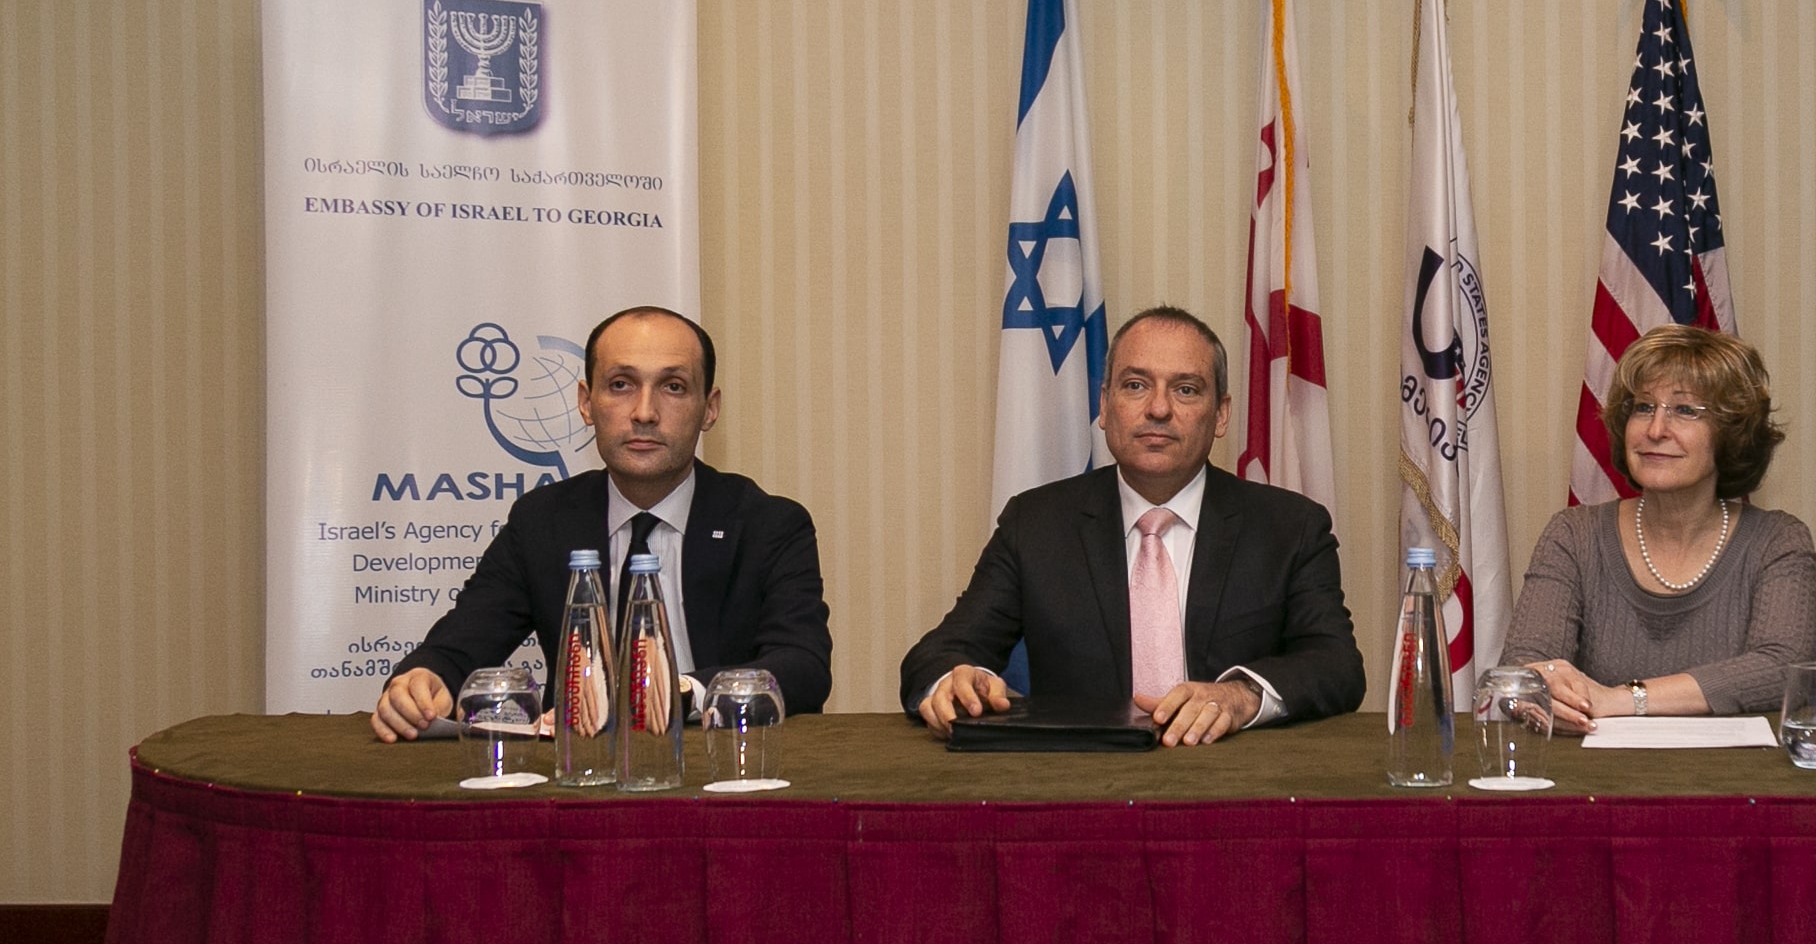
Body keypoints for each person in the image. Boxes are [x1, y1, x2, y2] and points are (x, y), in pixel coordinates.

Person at [900, 305, 1363, 746]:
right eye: (1136, 385)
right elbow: (940, 653)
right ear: (1105, 404)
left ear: (1221, 414)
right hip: (1083, 780)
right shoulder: (1036, 524)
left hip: (1233, 778)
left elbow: (1336, 664)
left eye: (1186, 389)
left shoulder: (1290, 528)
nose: (1158, 408)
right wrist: (955, 682)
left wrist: (1241, 696)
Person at [373, 305, 833, 739]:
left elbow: (802, 666)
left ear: (708, 408)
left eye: (673, 386)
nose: (645, 412)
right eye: (620, 385)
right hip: (578, 766)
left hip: (719, 764)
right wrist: (427, 678)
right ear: (586, 403)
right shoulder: (543, 521)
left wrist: (675, 693)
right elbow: (462, 643)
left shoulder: (768, 525)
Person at [1501, 325, 1816, 730]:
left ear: (1731, 433)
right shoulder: (1574, 534)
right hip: (1597, 767)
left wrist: (1622, 699)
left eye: (1685, 411)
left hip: (1735, 770)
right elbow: (1522, 668)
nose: (1655, 430)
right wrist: (1542, 689)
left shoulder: (1779, 540)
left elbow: (1782, 670)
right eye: (1643, 407)